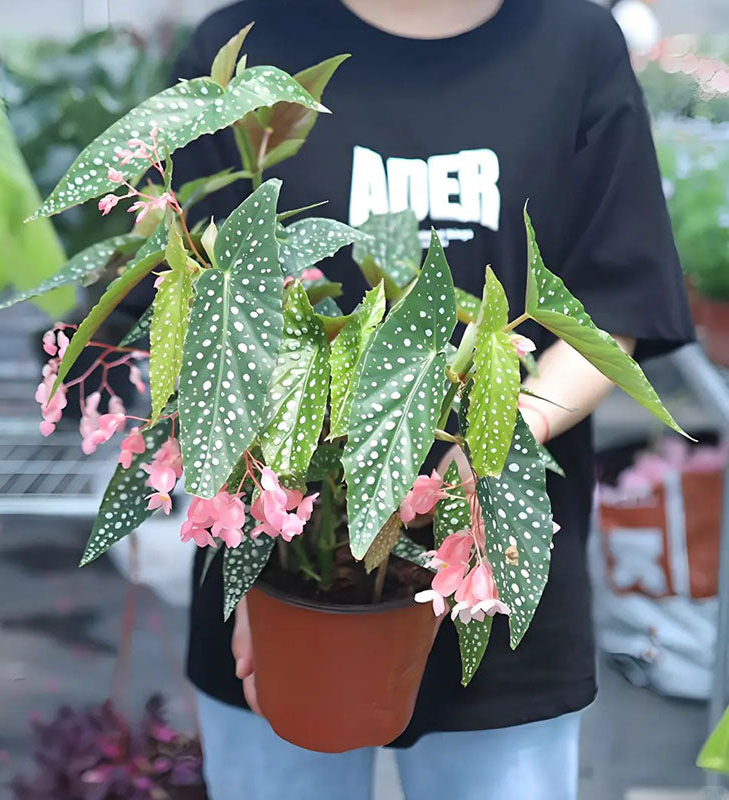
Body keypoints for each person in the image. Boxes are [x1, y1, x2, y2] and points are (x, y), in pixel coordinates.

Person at [167, 1, 694, 798]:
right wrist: (259, 567)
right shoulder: (246, 45)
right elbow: (190, 318)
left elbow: (611, 312)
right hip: (284, 563)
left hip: (494, 554)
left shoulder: (574, 42)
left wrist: (481, 453)